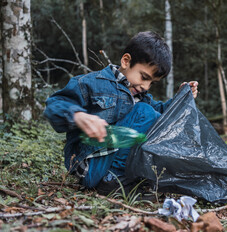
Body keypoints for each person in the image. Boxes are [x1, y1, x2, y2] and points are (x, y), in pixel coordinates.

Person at [44, 31, 199, 195]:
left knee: (151, 116)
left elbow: (160, 117)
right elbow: (54, 104)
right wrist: (78, 116)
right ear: (126, 61)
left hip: (114, 160)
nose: (146, 86)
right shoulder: (91, 83)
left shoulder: (140, 96)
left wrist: (180, 99)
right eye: (144, 77)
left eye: (151, 83)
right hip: (92, 164)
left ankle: (129, 178)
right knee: (144, 112)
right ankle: (112, 179)